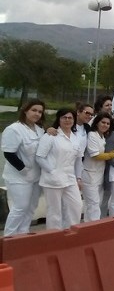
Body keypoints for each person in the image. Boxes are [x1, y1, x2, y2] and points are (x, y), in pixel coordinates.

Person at [2, 99, 46, 236]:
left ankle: (23, 233)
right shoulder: (14, 129)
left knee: (31, 207)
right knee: (20, 207)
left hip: (36, 176)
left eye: (40, 112)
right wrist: (23, 169)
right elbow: (9, 153)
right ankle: (9, 237)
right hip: (19, 176)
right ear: (25, 110)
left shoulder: (40, 130)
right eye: (34, 110)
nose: (37, 114)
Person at [36, 109, 85, 230]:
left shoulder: (76, 138)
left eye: (70, 118)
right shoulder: (51, 136)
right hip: (52, 180)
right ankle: (54, 237)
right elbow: (39, 157)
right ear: (59, 119)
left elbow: (78, 160)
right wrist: (52, 171)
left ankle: (70, 233)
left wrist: (78, 178)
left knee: (76, 206)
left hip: (70, 178)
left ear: (74, 120)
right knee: (54, 211)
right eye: (64, 117)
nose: (67, 120)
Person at [81, 112, 114, 222]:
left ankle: (88, 226)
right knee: (93, 203)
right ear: (97, 123)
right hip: (89, 173)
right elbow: (95, 155)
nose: (105, 125)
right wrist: (110, 155)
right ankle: (93, 227)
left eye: (107, 123)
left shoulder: (103, 137)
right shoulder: (92, 135)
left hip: (100, 173)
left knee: (96, 202)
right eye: (103, 122)